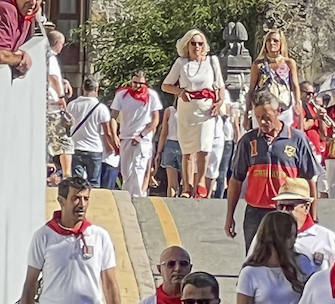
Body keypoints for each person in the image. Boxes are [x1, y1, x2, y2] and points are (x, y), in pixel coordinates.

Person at [224, 92, 320, 253]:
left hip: (288, 210)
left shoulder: (297, 139)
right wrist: (229, 216)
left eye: (267, 117)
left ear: (278, 111)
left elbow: (310, 179)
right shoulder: (248, 141)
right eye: (258, 117)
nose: (262, 121)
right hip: (256, 212)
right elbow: (236, 179)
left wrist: (312, 217)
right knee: (255, 259)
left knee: (288, 257)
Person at [162, 29, 223, 198]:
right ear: (187, 45)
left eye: (200, 43)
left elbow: (220, 86)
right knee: (188, 151)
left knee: (204, 147)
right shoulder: (181, 63)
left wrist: (220, 102)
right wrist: (180, 92)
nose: (197, 46)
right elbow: (165, 85)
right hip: (187, 110)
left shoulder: (212, 62)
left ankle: (201, 182)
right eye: (193, 43)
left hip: (206, 110)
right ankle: (187, 188)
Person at [110, 70, 163, 198]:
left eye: (141, 83)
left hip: (143, 139)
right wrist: (114, 136)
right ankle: (126, 196)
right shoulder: (122, 95)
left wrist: (142, 135)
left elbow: (155, 119)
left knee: (139, 168)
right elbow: (113, 117)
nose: (137, 86)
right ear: (131, 81)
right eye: (135, 83)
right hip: (126, 137)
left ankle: (138, 197)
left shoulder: (151, 96)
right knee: (126, 171)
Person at [273, 179, 335, 271]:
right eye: (280, 207)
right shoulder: (267, 235)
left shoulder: (326, 237)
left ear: (306, 207)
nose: (284, 211)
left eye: (289, 207)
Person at [248, 30, 300, 129]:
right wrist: (247, 112)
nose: (271, 43)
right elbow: (251, 89)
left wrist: (297, 103)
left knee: (284, 136)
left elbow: (295, 85)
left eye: (275, 40)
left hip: (283, 107)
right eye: (268, 40)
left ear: (281, 43)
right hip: (262, 107)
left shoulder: (289, 63)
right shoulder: (258, 65)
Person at [67, 77, 113, 185]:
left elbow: (67, 125)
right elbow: (108, 132)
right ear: (96, 89)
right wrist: (111, 146)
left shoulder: (72, 105)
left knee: (77, 183)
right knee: (94, 183)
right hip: (94, 148)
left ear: (83, 88)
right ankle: (92, 201)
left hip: (76, 146)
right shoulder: (101, 108)